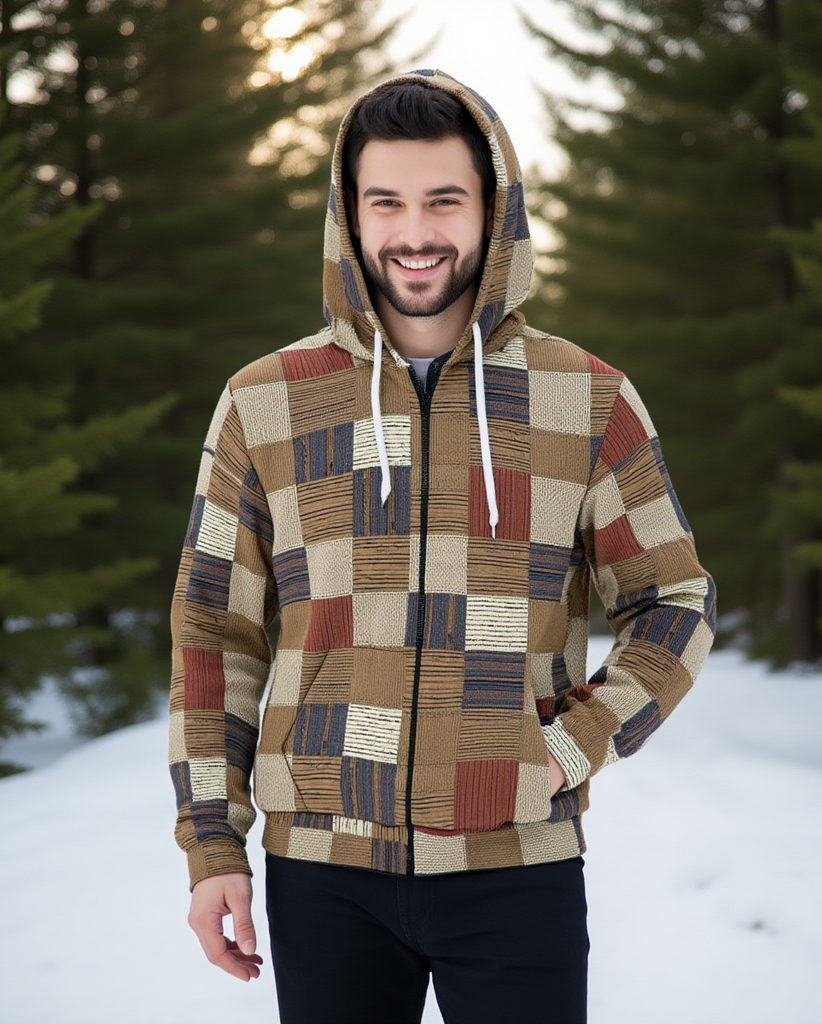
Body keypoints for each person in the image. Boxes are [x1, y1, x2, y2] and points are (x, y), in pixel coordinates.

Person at [168, 70, 716, 1024]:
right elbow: (216, 633)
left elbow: (675, 601)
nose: (414, 231)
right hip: (323, 866)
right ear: (349, 216)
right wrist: (214, 845)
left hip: (515, 863)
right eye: (385, 201)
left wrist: (568, 747)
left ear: (493, 212)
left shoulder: (586, 399)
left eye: (443, 200)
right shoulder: (266, 403)